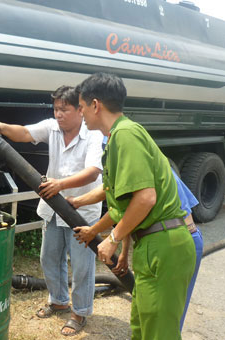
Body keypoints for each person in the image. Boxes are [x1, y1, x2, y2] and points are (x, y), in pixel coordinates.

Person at [73, 72, 196, 340]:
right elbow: (122, 205)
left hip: (164, 246)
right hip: (151, 244)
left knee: (159, 333)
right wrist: (105, 233)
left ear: (96, 105)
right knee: (142, 329)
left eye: (81, 107)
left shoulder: (125, 135)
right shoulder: (118, 136)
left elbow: (146, 198)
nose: (79, 113)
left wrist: (113, 238)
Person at [0, 85, 104, 336]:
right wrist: (2, 127)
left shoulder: (92, 134)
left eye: (65, 109)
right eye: (56, 109)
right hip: (53, 208)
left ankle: (80, 312)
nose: (59, 114)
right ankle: (59, 300)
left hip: (81, 209)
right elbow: (25, 133)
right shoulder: (52, 128)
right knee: (48, 257)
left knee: (82, 266)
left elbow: (93, 171)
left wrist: (60, 184)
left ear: (80, 110)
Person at [172, 170, 203, 330]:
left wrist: (114, 239)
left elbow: (136, 207)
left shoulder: (150, 167)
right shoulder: (159, 163)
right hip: (185, 238)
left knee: (172, 314)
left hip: (183, 240)